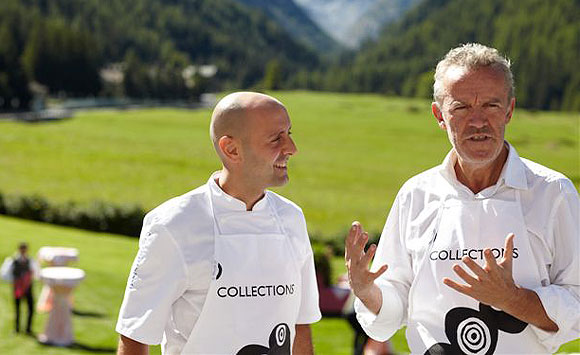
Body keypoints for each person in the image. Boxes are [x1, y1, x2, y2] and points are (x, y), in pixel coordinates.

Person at [345, 43, 579, 354]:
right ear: (439, 115)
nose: (478, 121)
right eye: (461, 107)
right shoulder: (415, 196)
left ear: (509, 110)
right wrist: (366, 290)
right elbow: (395, 303)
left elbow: (577, 304)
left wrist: (511, 299)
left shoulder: (553, 193)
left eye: (491, 106)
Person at [116, 92, 321, 354]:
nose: (292, 148)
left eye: (289, 133)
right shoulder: (173, 225)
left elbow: (300, 326)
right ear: (231, 149)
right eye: (276, 138)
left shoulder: (292, 219)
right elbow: (135, 336)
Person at [1, 242, 39, 334]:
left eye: (24, 249)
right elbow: (4, 274)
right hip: (17, 287)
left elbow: (37, 273)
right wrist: (16, 281)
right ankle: (17, 328)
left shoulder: (30, 260)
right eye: (22, 249)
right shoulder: (12, 260)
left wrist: (29, 279)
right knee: (17, 308)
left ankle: (28, 328)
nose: (23, 251)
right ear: (19, 249)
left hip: (28, 287)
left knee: (30, 308)